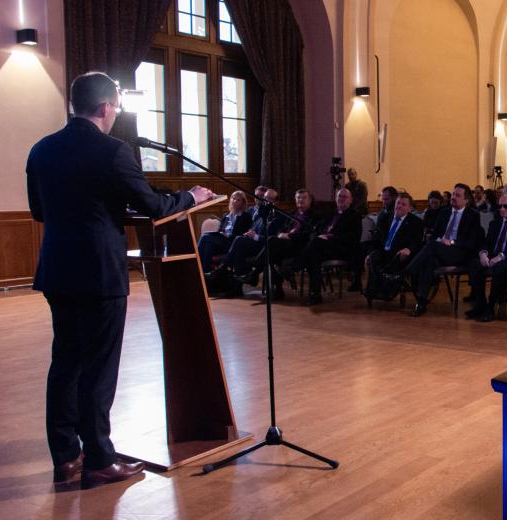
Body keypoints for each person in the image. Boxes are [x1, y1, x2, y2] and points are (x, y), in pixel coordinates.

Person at [26, 71, 213, 489]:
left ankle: (66, 457)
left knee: (66, 363)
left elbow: (39, 211)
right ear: (106, 107)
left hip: (58, 270)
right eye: (115, 108)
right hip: (99, 274)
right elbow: (152, 206)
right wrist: (192, 197)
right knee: (99, 368)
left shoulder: (42, 149)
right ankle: (99, 460)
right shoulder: (113, 151)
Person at [405, 183, 481, 317]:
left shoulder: (472, 215)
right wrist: (440, 241)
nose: (453, 197)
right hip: (440, 251)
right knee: (429, 261)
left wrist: (451, 242)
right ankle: (421, 303)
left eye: (458, 195)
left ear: (466, 200)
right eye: (453, 194)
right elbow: (435, 235)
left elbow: (471, 242)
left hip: (459, 252)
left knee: (432, 246)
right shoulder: (444, 212)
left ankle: (407, 272)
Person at [466, 193, 507, 322]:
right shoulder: (495, 223)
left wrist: (501, 256)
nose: (502, 209)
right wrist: (483, 253)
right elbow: (487, 242)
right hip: (493, 256)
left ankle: (491, 306)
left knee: (499, 267)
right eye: (500, 206)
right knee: (474, 264)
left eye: (506, 206)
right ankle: (480, 304)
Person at [292, 188, 361, 305]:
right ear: (335, 198)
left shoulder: (355, 216)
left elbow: (353, 237)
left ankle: (296, 265)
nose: (341, 199)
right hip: (322, 248)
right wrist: (319, 237)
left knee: (315, 245)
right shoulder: (329, 213)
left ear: (350, 200)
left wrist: (329, 237)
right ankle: (316, 295)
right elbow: (316, 229)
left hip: (341, 249)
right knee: (313, 257)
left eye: (344, 197)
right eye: (339, 196)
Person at [249, 188, 319, 299]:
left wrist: (289, 236)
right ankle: (277, 289)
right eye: (298, 198)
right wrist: (281, 234)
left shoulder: (315, 215)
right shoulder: (292, 214)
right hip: (285, 245)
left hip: (300, 246)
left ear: (310, 200)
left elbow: (310, 234)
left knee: (271, 243)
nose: (300, 200)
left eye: (304, 198)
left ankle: (255, 272)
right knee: (272, 253)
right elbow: (281, 229)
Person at [364, 193, 424, 303]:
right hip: (383, 252)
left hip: (399, 254)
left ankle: (388, 289)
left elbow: (417, 241)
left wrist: (409, 249)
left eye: (403, 204)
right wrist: (369, 253)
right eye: (398, 203)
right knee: (373, 256)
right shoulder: (385, 218)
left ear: (410, 208)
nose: (399, 206)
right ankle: (377, 287)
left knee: (396, 258)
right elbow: (375, 239)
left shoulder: (416, 222)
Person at [197, 190, 252, 273]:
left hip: (232, 243)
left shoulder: (246, 216)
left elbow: (243, 235)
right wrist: (221, 234)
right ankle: (205, 272)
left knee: (206, 237)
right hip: (222, 240)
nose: (234, 201)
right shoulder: (226, 215)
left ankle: (199, 267)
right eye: (233, 198)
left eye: (238, 200)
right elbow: (220, 230)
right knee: (208, 243)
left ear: (242, 203)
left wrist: (228, 236)